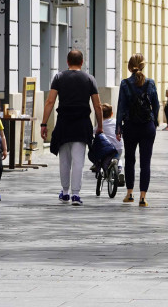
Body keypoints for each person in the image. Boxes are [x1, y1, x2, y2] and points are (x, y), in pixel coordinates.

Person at [41, 49, 103, 206]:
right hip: (82, 124)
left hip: (64, 124)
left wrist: (44, 123)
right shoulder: (89, 79)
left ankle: (65, 192)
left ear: (67, 62)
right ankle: (76, 194)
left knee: (64, 161)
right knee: (78, 160)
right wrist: (100, 126)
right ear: (82, 62)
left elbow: (50, 102)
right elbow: (97, 105)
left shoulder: (59, 77)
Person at [116, 53, 160, 207]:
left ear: (130, 66)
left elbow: (120, 107)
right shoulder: (150, 83)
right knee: (145, 162)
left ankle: (129, 194)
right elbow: (156, 105)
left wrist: (118, 127)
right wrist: (154, 122)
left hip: (130, 126)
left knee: (130, 160)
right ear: (143, 65)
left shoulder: (125, 84)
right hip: (147, 126)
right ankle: (143, 197)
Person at [98, 103, 123, 181]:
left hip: (107, 149)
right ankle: (119, 168)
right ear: (112, 113)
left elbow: (94, 132)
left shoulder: (100, 125)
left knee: (104, 159)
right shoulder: (116, 122)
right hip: (119, 147)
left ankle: (105, 170)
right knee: (118, 158)